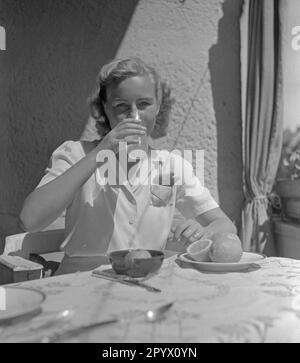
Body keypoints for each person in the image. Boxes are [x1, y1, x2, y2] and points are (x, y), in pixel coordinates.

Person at [19, 57, 237, 274]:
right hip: (82, 283)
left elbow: (225, 225)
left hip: (145, 281)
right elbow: (30, 220)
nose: (134, 116)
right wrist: (101, 153)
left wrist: (201, 232)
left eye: (143, 105)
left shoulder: (171, 165)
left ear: (158, 107)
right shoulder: (76, 154)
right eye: (121, 106)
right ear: (104, 109)